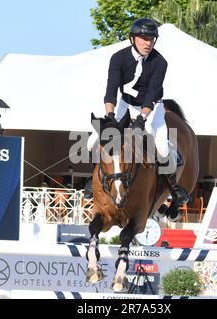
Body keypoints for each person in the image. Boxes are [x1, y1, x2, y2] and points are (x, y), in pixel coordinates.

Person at [85, 18, 189, 204]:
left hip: (151, 108)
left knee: (163, 150)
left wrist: (142, 117)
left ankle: (173, 186)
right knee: (92, 142)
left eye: (151, 39)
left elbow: (153, 92)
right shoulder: (118, 58)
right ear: (133, 39)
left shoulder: (160, 62)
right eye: (143, 38)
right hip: (124, 105)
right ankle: (92, 180)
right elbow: (111, 90)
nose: (148, 43)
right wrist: (110, 116)